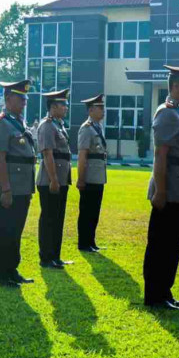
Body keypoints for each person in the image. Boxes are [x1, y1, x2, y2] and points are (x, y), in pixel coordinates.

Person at [143, 65, 179, 311]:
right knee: (161, 242)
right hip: (170, 187)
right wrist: (161, 191)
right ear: (175, 86)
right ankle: (155, 294)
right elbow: (160, 154)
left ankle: (165, 292)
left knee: (173, 242)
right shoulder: (167, 113)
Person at [0, 80, 36, 287]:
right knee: (3, 230)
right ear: (8, 99)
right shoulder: (1, 123)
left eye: (26, 98)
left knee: (16, 230)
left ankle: (11, 268)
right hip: (7, 186)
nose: (24, 102)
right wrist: (6, 189)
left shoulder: (19, 121)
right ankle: (0, 272)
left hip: (23, 186)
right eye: (20, 98)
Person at [37, 89, 73, 269]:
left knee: (58, 218)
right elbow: (47, 154)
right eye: (63, 104)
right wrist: (53, 179)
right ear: (53, 107)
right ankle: (46, 257)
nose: (66, 107)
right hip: (50, 180)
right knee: (49, 218)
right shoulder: (47, 125)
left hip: (61, 179)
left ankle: (55, 256)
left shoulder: (59, 124)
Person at [77, 94, 108, 253]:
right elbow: (82, 155)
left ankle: (91, 241)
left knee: (95, 211)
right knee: (87, 211)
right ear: (90, 110)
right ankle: (83, 243)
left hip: (98, 176)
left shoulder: (98, 127)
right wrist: (81, 179)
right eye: (100, 108)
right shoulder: (86, 128)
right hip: (89, 176)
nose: (103, 110)